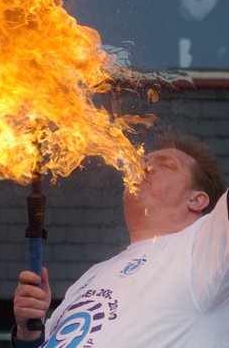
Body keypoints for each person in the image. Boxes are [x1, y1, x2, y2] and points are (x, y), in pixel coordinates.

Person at [12, 135, 228, 347]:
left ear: (197, 199)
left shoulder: (203, 247)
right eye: (144, 161)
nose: (145, 167)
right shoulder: (94, 275)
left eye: (167, 165)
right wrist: (29, 331)